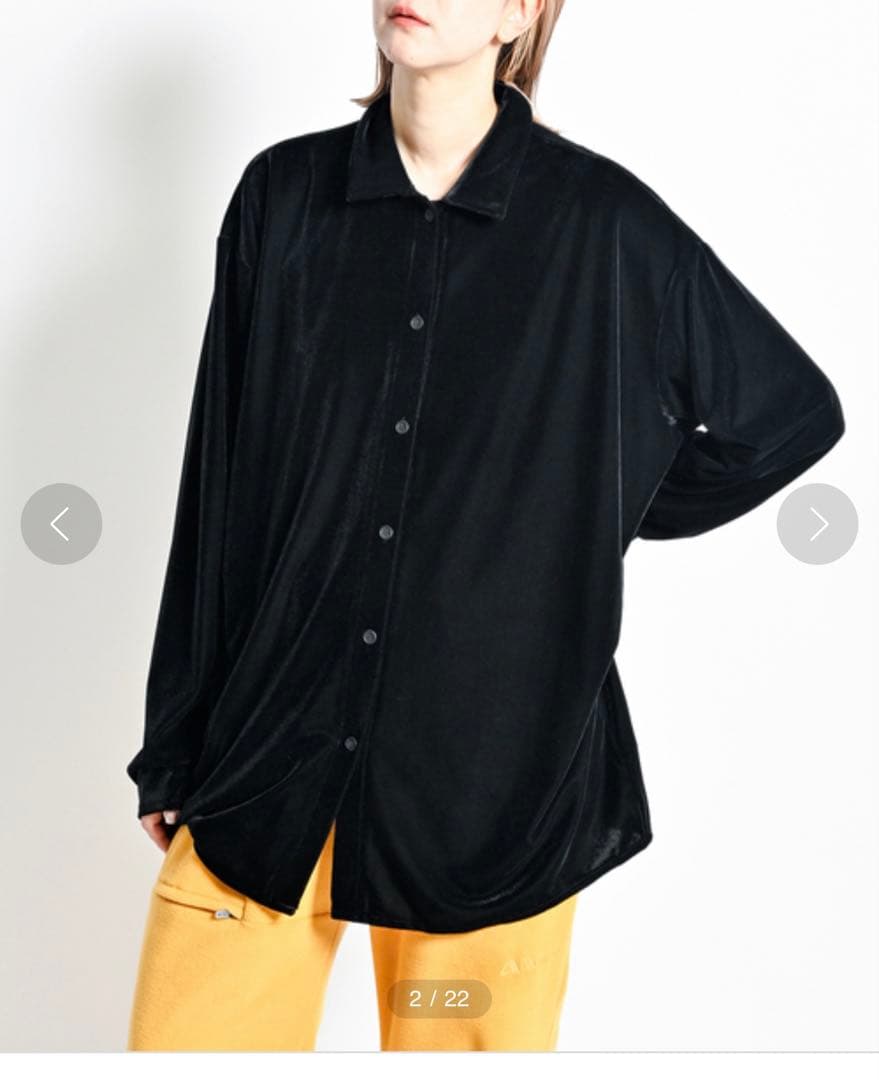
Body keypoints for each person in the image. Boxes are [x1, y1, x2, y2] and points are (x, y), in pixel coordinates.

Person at [125, 0, 845, 1053]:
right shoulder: (282, 196)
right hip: (267, 755)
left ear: (522, 10)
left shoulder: (603, 225)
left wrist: (585, 514)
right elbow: (219, 480)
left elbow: (786, 415)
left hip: (490, 786)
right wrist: (175, 739)